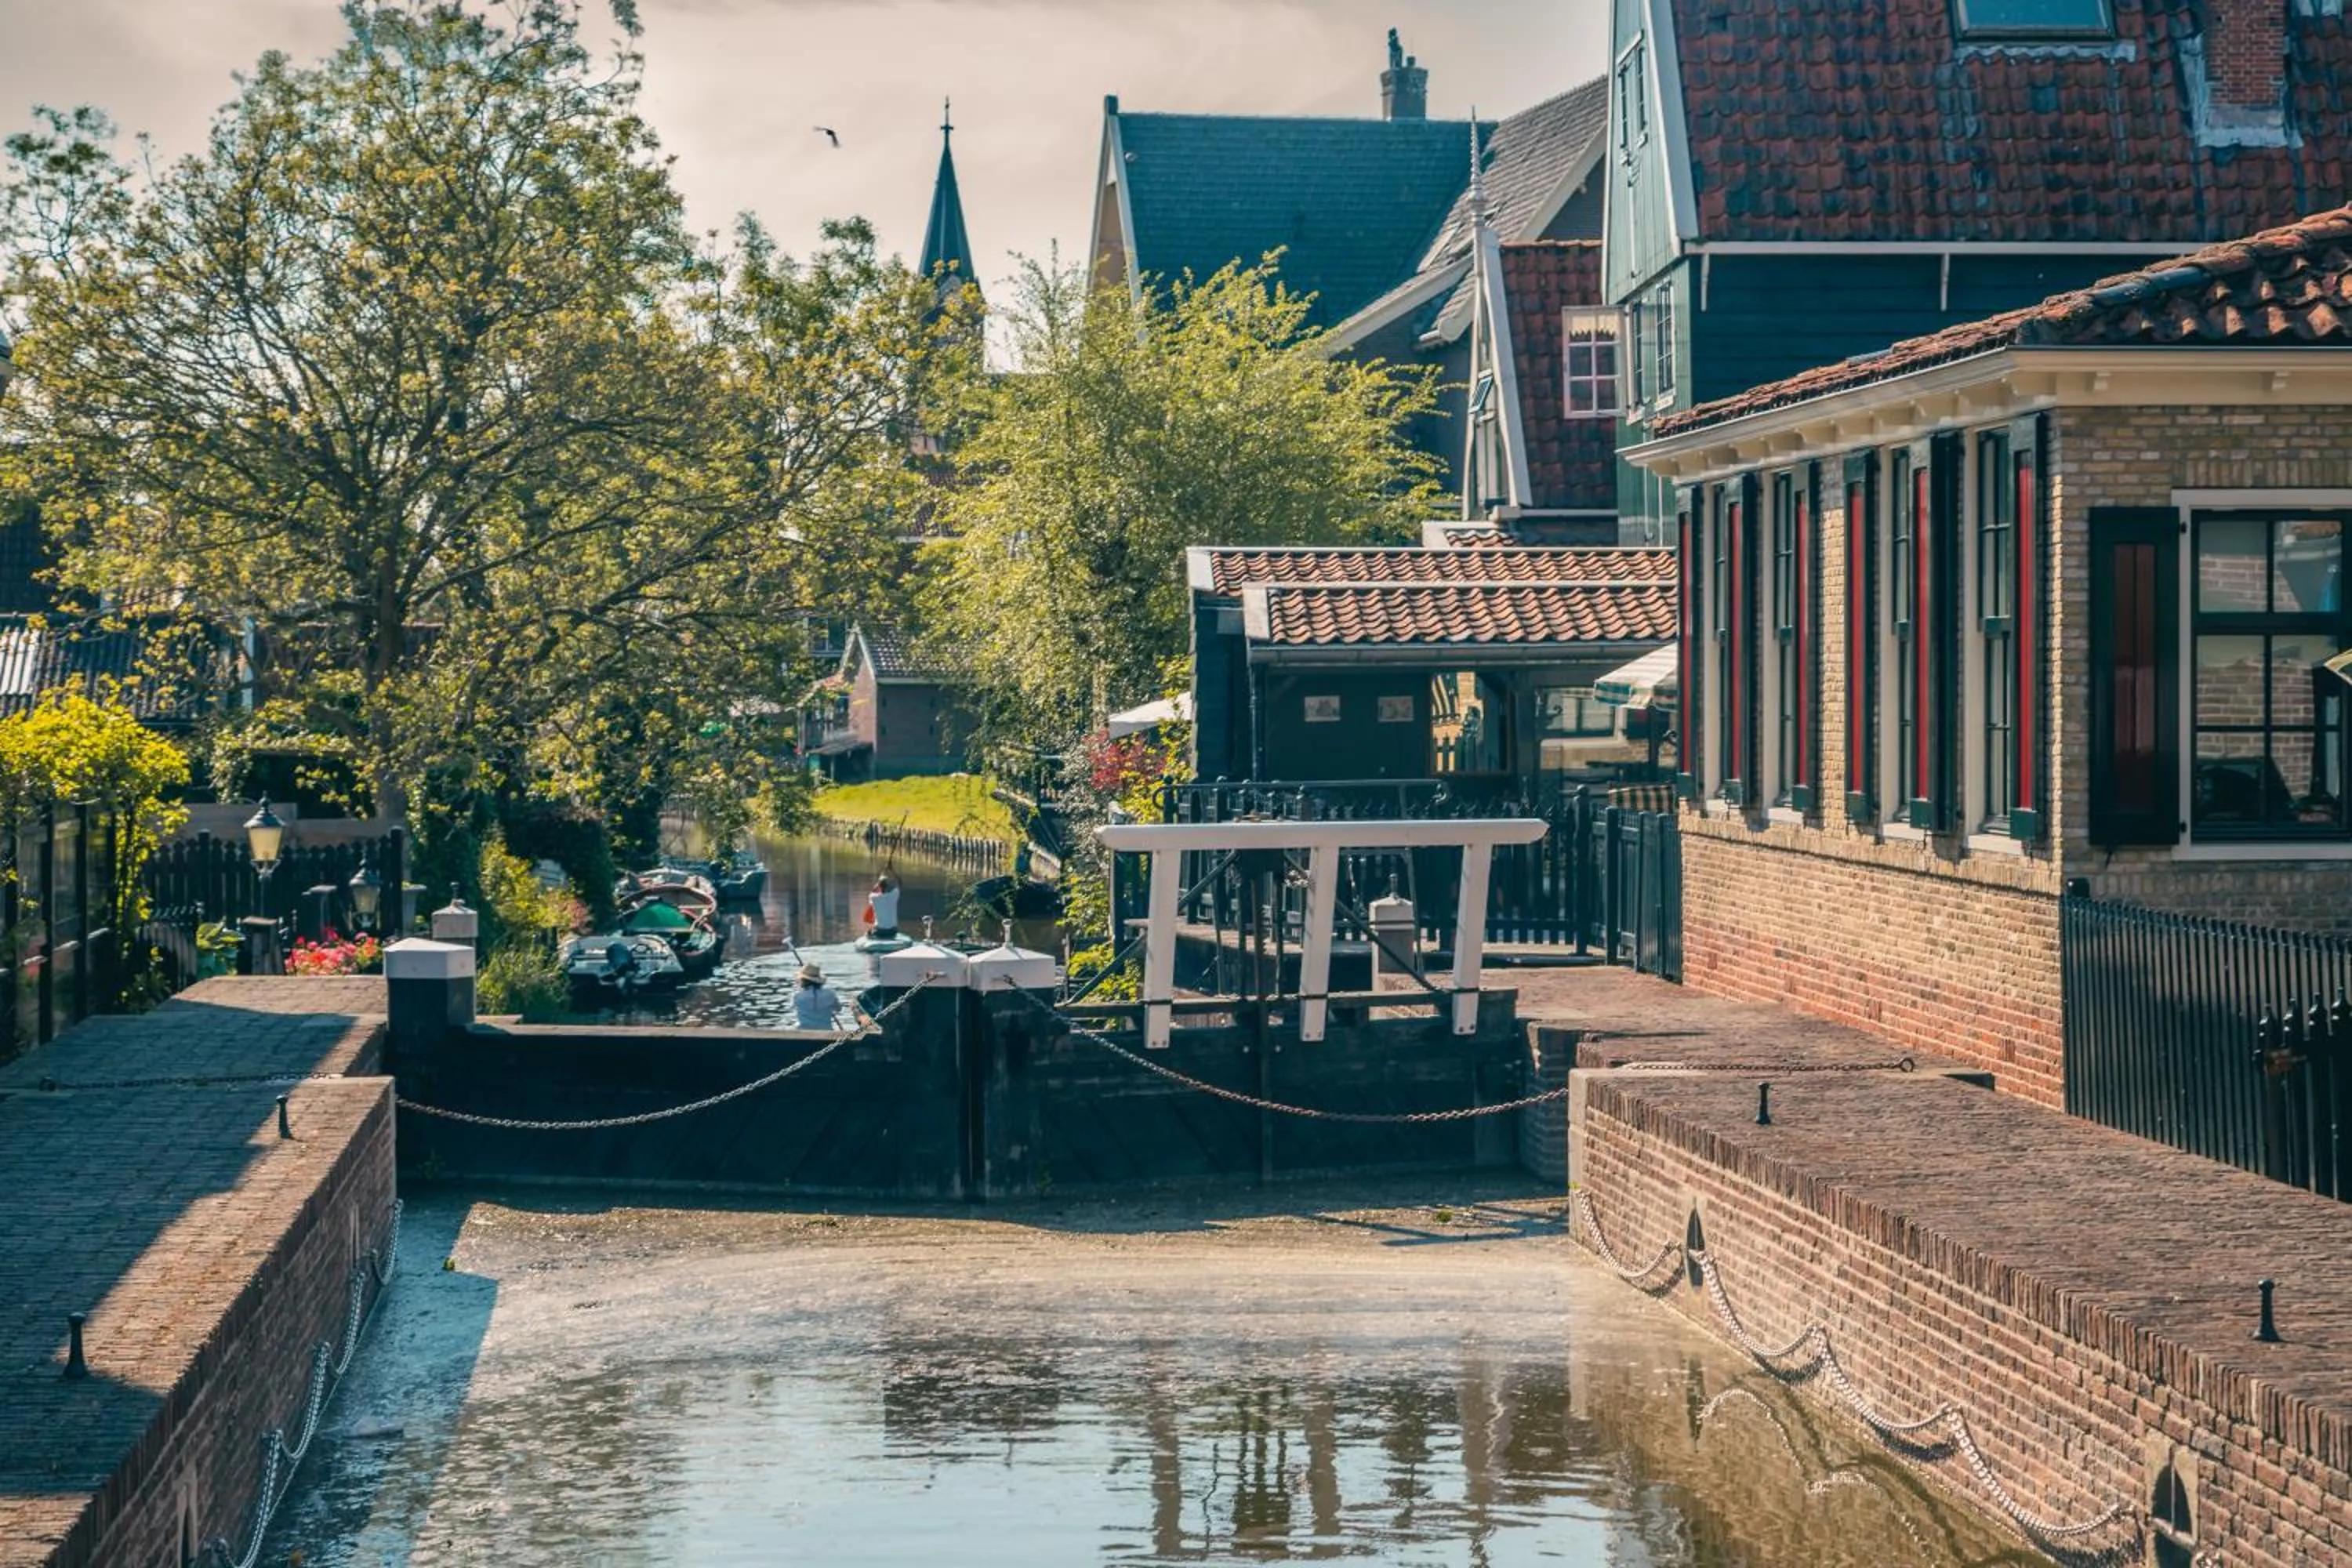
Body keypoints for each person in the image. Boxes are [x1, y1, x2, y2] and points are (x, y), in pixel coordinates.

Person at [793, 962, 842, 1031]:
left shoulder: (798, 996)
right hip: (826, 1031)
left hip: (802, 1031)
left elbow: (796, 1008)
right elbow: (838, 1009)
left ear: (803, 980)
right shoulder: (830, 994)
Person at [866, 872, 902, 939]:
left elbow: (873, 891)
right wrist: (893, 872)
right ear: (888, 886)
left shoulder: (873, 897)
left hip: (879, 931)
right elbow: (899, 883)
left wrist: (879, 882)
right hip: (892, 931)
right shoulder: (894, 895)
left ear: (879, 887)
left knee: (868, 933)